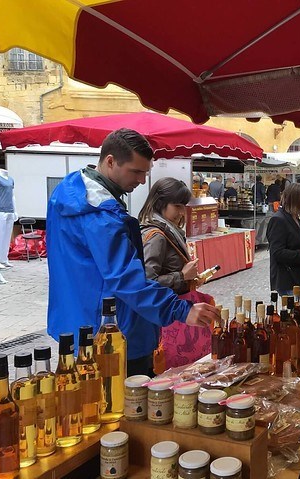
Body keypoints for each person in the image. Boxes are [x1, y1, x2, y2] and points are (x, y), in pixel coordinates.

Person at [46, 128, 219, 377]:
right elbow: (126, 278)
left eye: (145, 172)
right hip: (110, 333)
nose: (141, 180)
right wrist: (181, 310)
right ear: (110, 161)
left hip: (76, 320)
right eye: (136, 172)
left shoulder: (70, 195)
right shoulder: (100, 217)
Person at [139, 177, 214, 367]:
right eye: (177, 206)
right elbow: (146, 282)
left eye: (183, 207)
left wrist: (189, 279)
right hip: (167, 316)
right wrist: (181, 276)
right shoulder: (156, 236)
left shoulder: (167, 230)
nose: (181, 212)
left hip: (169, 312)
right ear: (160, 202)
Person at [267, 183, 300, 295]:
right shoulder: (278, 220)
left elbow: (294, 246)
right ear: (293, 200)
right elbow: (278, 253)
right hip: (287, 279)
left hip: (297, 277)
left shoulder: (294, 217)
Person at [0, 168, 18, 269]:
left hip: (10, 210)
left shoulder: (11, 179)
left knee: (7, 237)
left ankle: (4, 258)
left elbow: (12, 196)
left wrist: (15, 210)